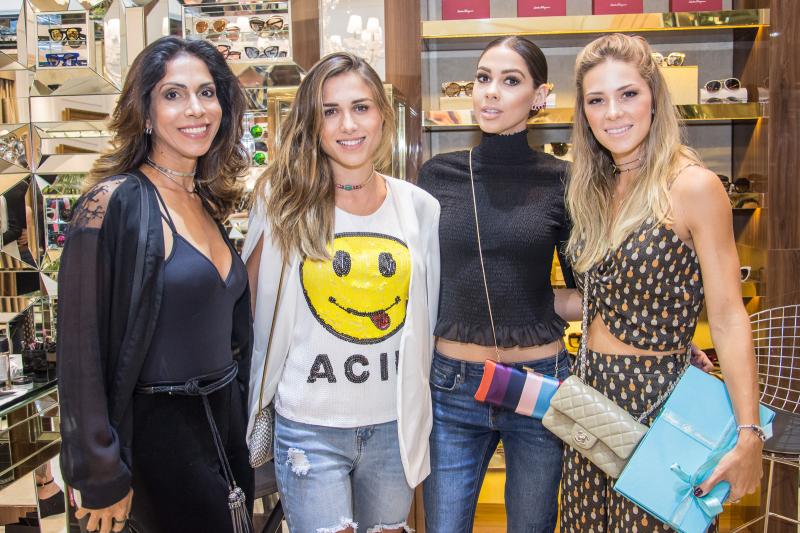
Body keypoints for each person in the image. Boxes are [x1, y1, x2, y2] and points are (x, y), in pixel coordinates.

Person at [561, 33, 764, 531]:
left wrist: (749, 434)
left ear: (654, 97)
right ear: (583, 113)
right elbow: (604, 297)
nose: (613, 112)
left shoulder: (692, 185)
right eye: (596, 100)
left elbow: (728, 316)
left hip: (658, 404)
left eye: (628, 94)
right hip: (590, 397)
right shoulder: (595, 186)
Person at [57, 36, 253, 533]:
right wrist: (100, 474)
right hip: (157, 443)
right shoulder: (114, 201)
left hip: (223, 430)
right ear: (144, 112)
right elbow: (79, 347)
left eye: (207, 93)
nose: (196, 109)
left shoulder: (206, 201)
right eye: (173, 94)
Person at [242, 52, 439, 533]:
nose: (348, 124)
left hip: (393, 425)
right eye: (330, 111)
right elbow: (250, 310)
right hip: (308, 426)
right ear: (312, 123)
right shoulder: (281, 202)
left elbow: (427, 318)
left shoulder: (419, 207)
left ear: (382, 116)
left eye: (361, 107)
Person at [417, 36, 575, 533]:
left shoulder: (562, 180)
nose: (490, 91)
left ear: (539, 96)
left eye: (510, 81)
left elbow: (585, 291)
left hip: (539, 382)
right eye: (483, 78)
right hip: (453, 386)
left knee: (533, 525)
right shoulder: (437, 176)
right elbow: (420, 281)